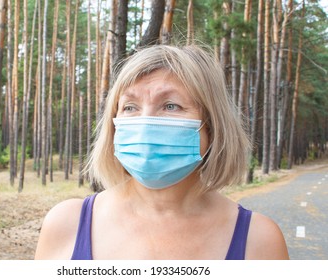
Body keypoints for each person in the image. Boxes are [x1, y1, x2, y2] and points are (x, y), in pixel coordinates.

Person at [35, 44, 289, 260]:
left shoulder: (260, 240)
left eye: (170, 105)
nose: (145, 122)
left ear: (212, 127)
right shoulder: (66, 224)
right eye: (130, 107)